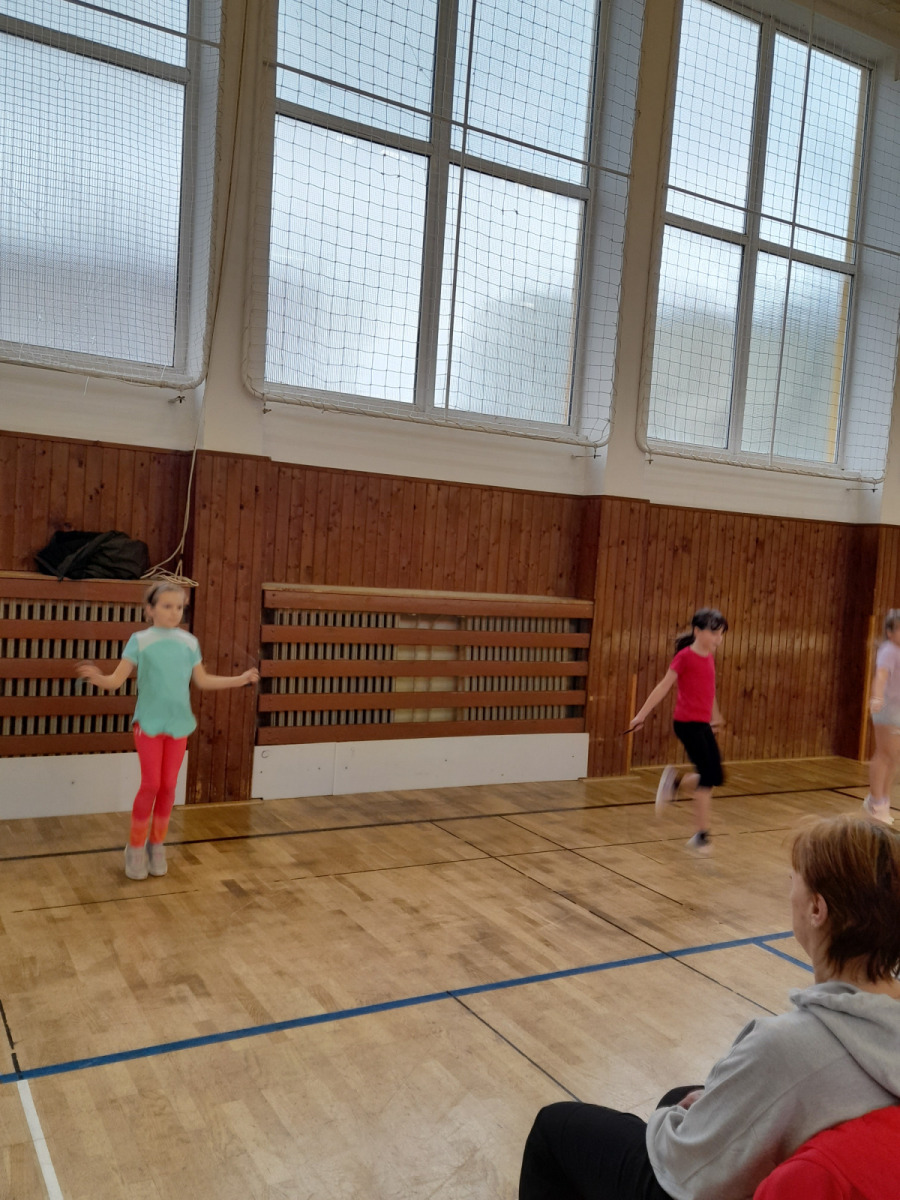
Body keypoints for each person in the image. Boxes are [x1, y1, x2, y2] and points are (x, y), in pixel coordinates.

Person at [518, 813, 900, 1200]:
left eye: (794, 881)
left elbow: (686, 1164)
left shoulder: (785, 1046)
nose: (789, 891)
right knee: (681, 1095)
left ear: (817, 909)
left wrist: (671, 1121)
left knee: (553, 1128)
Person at [77, 582, 259, 880]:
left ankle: (156, 844)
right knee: (151, 784)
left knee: (169, 787)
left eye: (179, 607)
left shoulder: (189, 642)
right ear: (150, 609)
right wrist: (98, 678)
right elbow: (115, 681)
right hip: (148, 724)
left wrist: (239, 680)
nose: (174, 612)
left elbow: (202, 680)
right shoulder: (140, 640)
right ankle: (136, 847)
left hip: (178, 725)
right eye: (166, 606)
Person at [626, 608, 728, 853]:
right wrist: (641, 715)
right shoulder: (684, 657)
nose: (719, 639)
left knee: (716, 777)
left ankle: (675, 784)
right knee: (707, 778)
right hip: (687, 724)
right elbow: (663, 686)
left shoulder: (709, 656)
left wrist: (715, 715)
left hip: (702, 724)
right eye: (714, 633)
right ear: (697, 631)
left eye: (721, 634)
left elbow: (708, 689)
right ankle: (701, 835)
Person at [865, 609, 900, 825]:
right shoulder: (889, 651)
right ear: (890, 632)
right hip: (886, 709)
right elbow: (881, 676)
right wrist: (877, 697)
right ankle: (875, 802)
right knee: (885, 754)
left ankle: (883, 801)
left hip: (898, 710)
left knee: (894, 757)